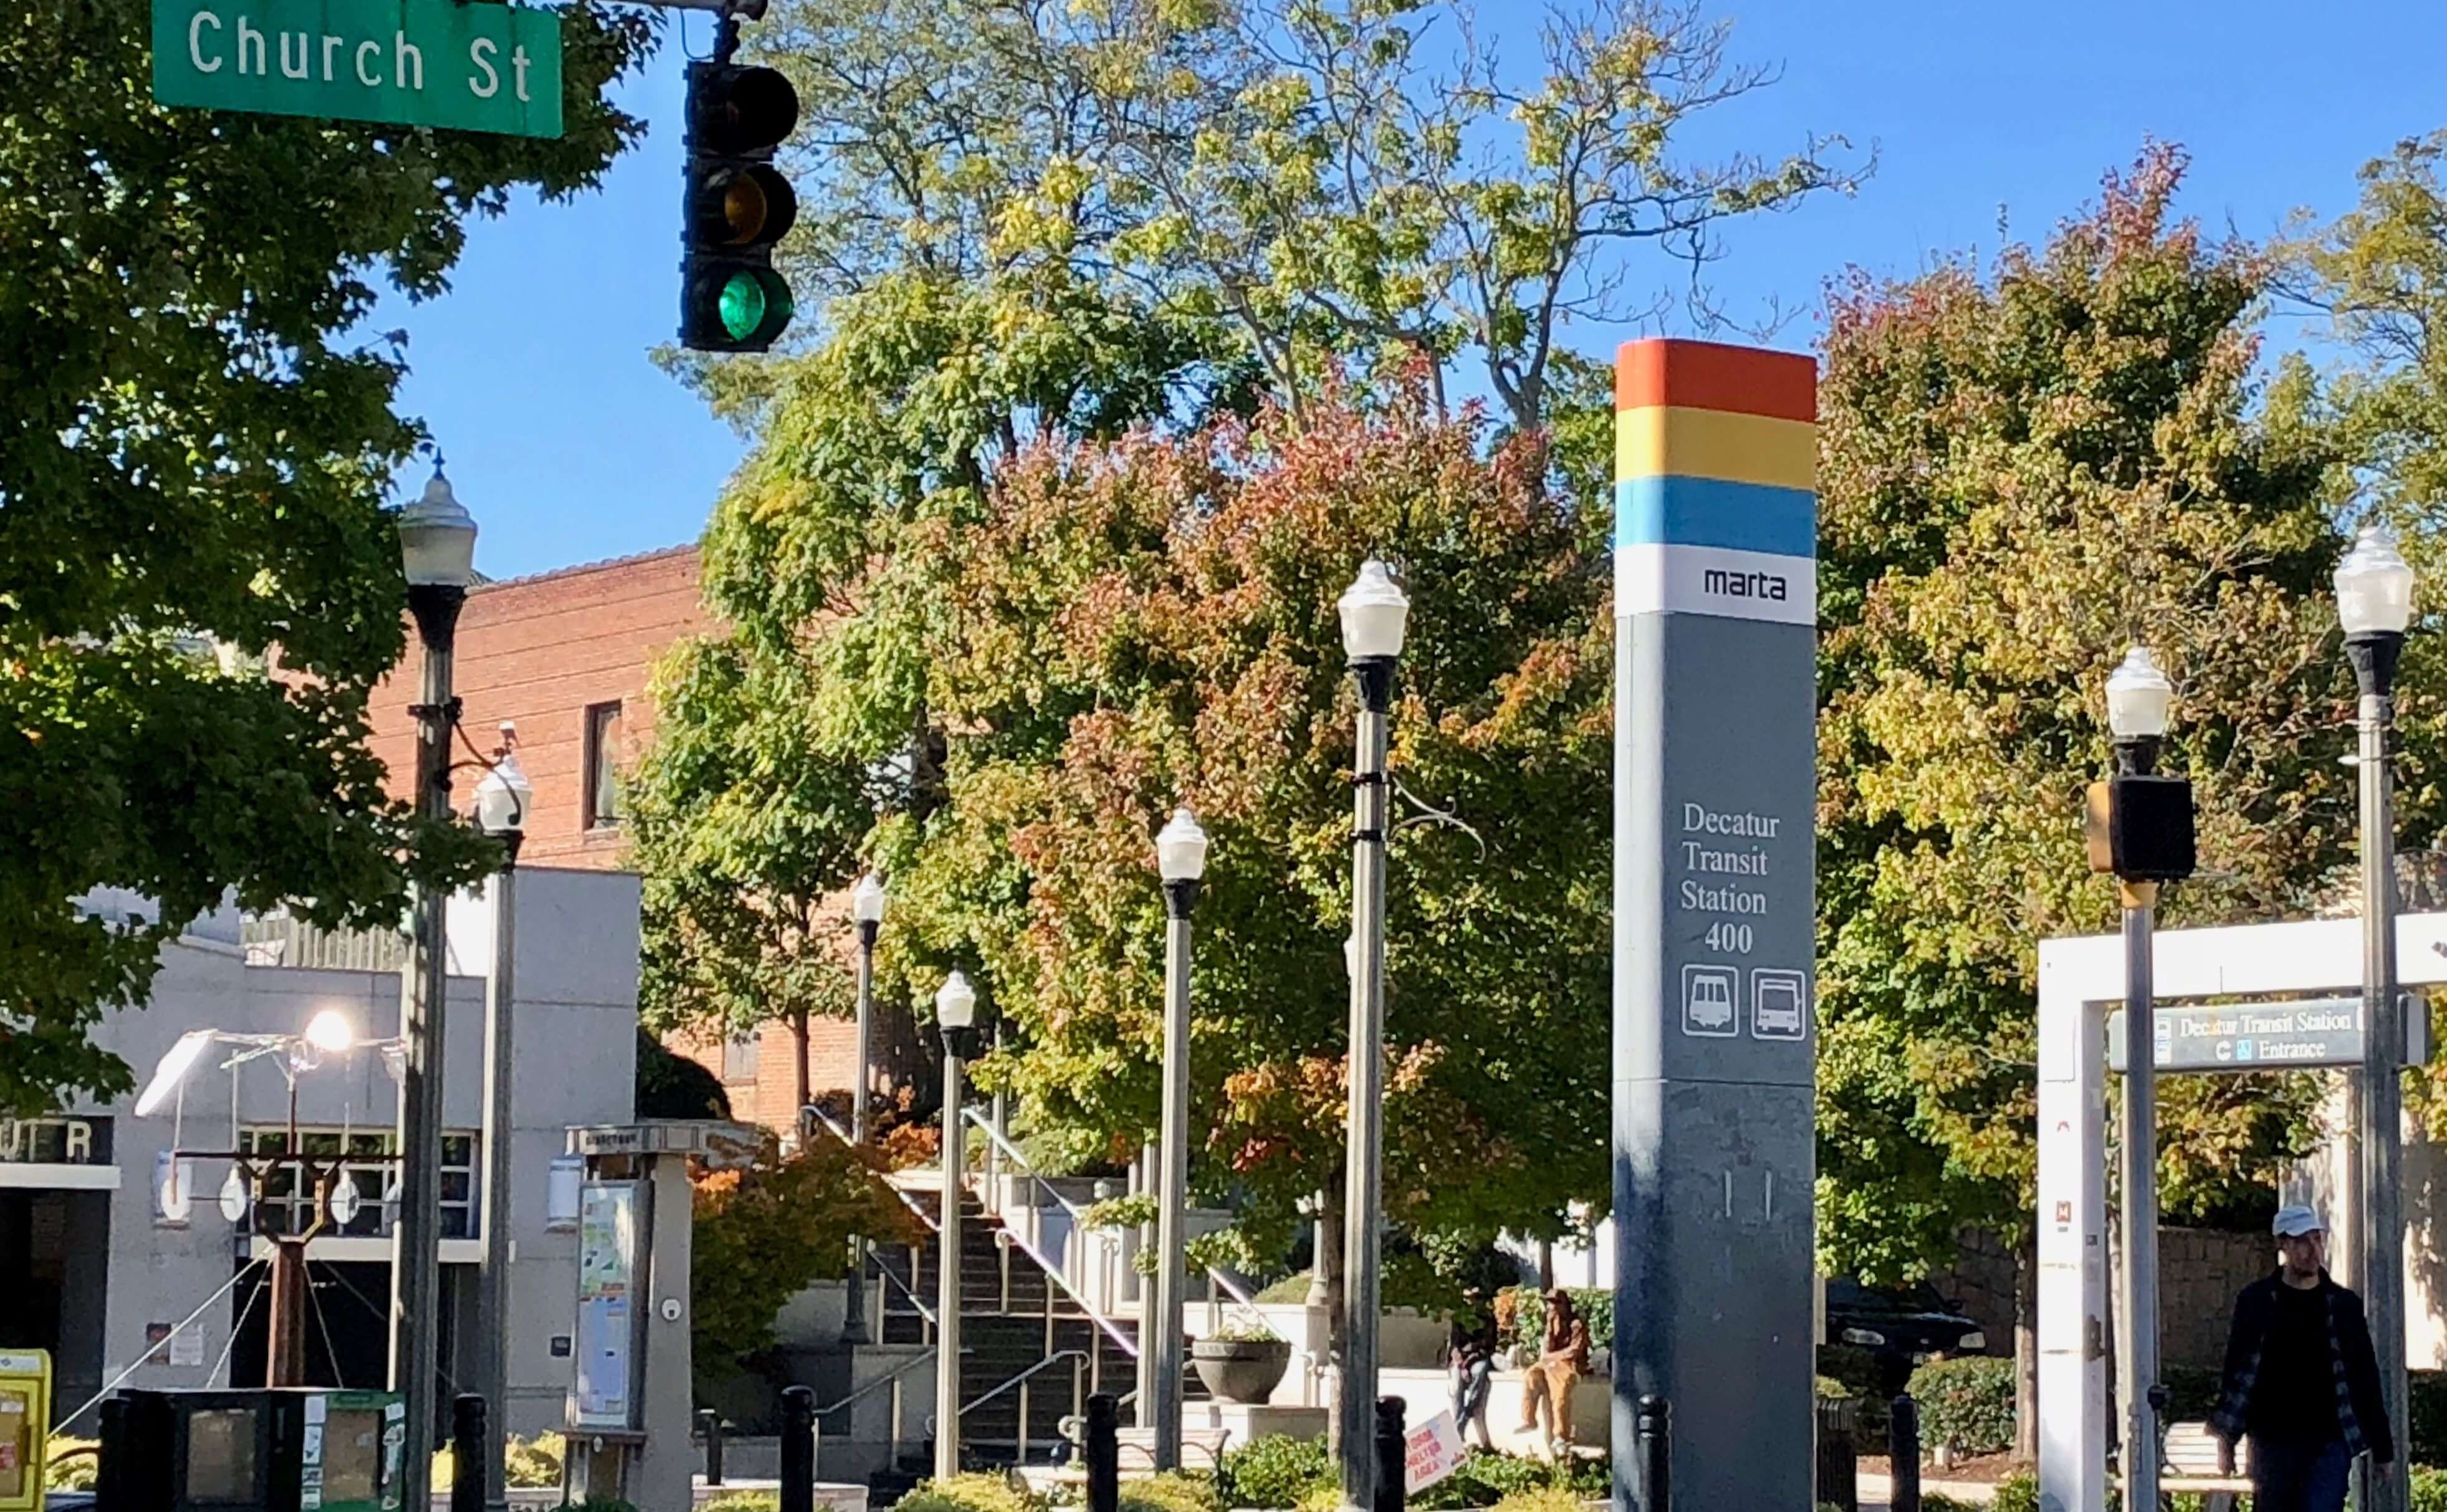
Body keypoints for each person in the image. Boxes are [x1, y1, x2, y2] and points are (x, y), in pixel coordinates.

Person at [2210, 1204, 2393, 1512]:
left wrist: (2383, 1449)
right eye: (2301, 1241)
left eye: (2317, 1240)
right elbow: (2237, 1372)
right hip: (2272, 1439)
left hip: (2330, 1439)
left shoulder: (2343, 1305)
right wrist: (2226, 1441)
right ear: (2282, 1244)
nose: (2312, 1250)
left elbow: (2364, 1375)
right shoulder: (2256, 1302)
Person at [1517, 1289, 1590, 1458]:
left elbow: (1575, 1351)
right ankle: (1529, 1420)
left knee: (1560, 1391)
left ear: (1565, 1305)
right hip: (1551, 1363)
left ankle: (1560, 1435)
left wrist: (1551, 1358)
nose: (1552, 1306)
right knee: (1531, 1375)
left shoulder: (1576, 1324)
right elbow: (1547, 1348)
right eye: (1550, 1303)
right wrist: (1549, 1328)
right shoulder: (1552, 1321)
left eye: (1556, 1303)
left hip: (1569, 1365)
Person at [1449, 1290, 1498, 1450]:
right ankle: (1457, 1431)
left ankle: (1467, 1414)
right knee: (1456, 1389)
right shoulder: (1459, 1319)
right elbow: (1454, 1345)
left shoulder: (1488, 1319)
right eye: (1469, 1299)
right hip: (1461, 1361)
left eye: (1476, 1298)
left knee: (1480, 1372)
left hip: (1478, 1357)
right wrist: (1461, 1364)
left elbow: (1487, 1344)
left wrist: (1471, 1359)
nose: (1472, 1302)